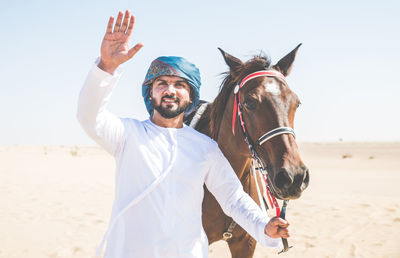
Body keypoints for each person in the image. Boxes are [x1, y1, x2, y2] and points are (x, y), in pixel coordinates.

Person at [77, 10, 290, 258]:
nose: (170, 90)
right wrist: (106, 67)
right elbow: (88, 117)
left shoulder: (205, 148)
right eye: (162, 83)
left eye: (180, 85)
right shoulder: (127, 135)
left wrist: (264, 226)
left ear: (190, 97)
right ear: (151, 93)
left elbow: (233, 198)